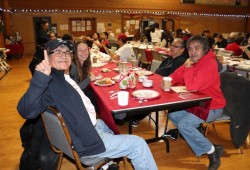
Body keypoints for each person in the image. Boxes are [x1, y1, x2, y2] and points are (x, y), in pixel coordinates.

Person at [17, 39, 157, 170]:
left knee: (106, 123)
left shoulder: (63, 76)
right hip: (86, 143)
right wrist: (40, 78)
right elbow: (26, 111)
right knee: (138, 144)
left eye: (67, 52)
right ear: (47, 56)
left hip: (89, 128)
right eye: (58, 52)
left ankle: (106, 164)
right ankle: (103, 158)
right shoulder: (48, 82)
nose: (64, 56)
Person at [163, 35, 226, 170]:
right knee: (173, 115)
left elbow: (192, 86)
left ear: (204, 50)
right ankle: (210, 145)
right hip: (197, 103)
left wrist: (189, 67)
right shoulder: (192, 61)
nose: (193, 52)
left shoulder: (209, 64)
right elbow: (177, 75)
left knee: (184, 125)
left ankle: (212, 152)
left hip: (212, 106)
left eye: (197, 48)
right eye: (190, 49)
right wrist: (166, 81)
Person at [70, 41, 99, 113]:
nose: (84, 52)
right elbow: (76, 89)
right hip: (73, 100)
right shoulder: (72, 67)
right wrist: (89, 78)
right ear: (75, 52)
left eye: (85, 50)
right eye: (80, 50)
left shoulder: (83, 63)